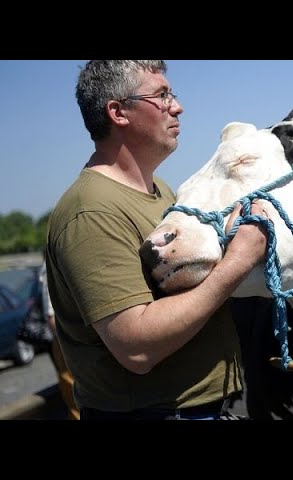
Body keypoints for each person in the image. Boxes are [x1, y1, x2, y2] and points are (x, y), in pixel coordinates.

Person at [46, 60, 267, 420]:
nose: (176, 106)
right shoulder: (91, 211)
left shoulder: (162, 192)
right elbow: (136, 348)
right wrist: (239, 261)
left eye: (172, 94)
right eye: (161, 96)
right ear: (118, 113)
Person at [39, 259, 80, 420]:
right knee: (72, 389)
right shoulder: (54, 262)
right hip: (66, 337)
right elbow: (51, 315)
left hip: (69, 335)